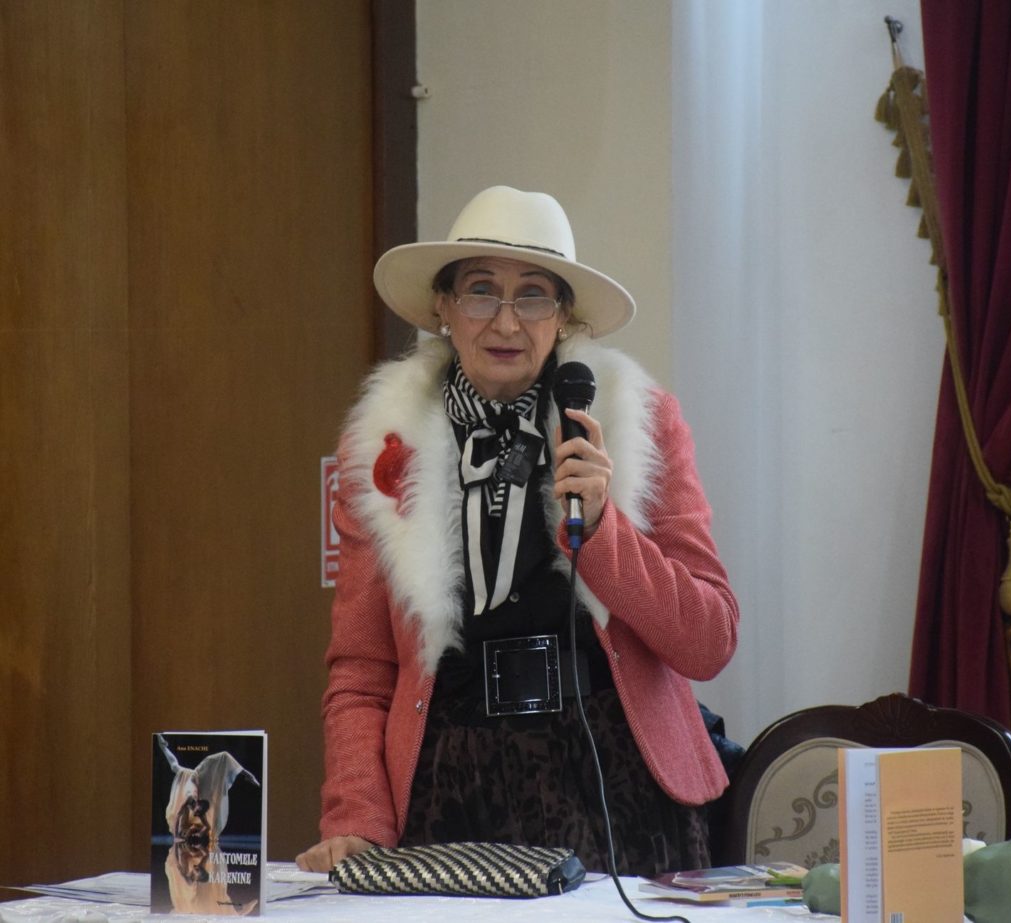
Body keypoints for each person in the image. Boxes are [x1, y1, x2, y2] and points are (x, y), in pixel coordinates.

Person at [296, 185, 739, 877]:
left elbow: (709, 639)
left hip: (611, 776)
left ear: (563, 317)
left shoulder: (636, 423)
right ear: (443, 308)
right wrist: (356, 816)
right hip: (447, 785)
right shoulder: (383, 445)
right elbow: (361, 669)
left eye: (533, 296)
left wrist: (603, 529)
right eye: (480, 291)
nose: (506, 321)